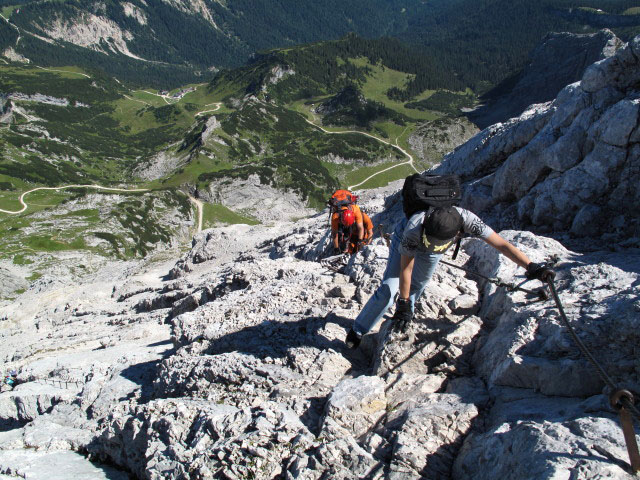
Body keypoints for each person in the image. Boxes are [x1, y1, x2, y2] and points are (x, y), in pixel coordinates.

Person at [345, 205, 555, 348]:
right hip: (407, 238)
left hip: (431, 251)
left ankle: (404, 318)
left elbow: (502, 244)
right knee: (390, 288)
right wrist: (402, 301)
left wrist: (532, 266)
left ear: (457, 233)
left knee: (419, 284)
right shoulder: (413, 228)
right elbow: (405, 270)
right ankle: (358, 329)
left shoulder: (469, 220)